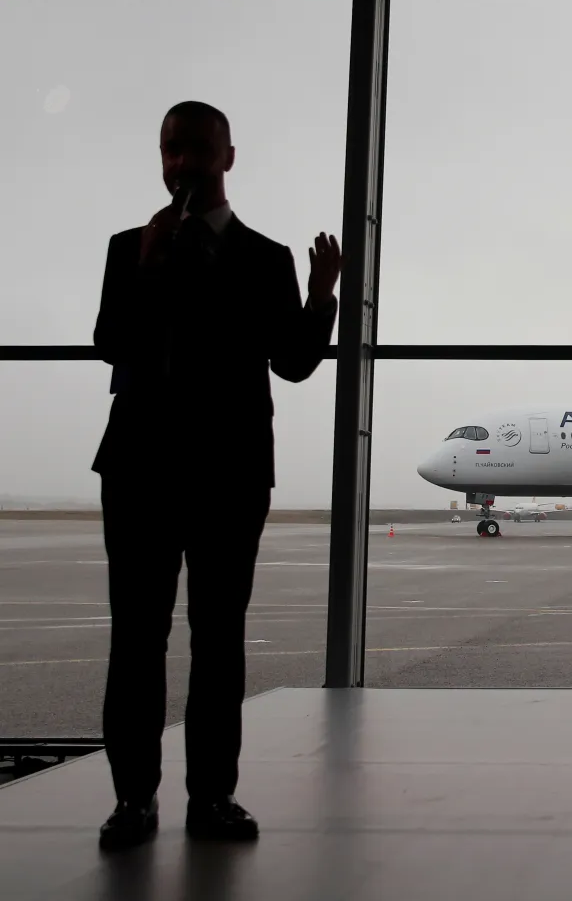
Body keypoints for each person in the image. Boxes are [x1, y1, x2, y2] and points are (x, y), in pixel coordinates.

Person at [92, 102, 341, 849]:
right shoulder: (128, 247)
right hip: (139, 468)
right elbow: (111, 343)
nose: (181, 164)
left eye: (197, 149)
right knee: (136, 639)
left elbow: (293, 363)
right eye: (171, 151)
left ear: (229, 156)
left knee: (219, 640)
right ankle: (133, 799)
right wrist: (146, 268)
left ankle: (212, 800)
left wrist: (322, 293)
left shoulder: (265, 258)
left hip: (230, 475)